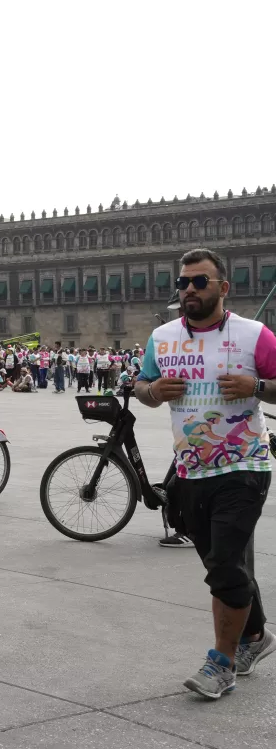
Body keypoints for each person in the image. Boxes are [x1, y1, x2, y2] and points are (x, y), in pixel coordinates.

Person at [135, 248, 275, 699]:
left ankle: (221, 663)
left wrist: (256, 387)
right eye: (183, 283)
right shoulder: (162, 337)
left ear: (223, 287)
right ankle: (255, 635)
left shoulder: (255, 335)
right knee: (222, 563)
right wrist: (153, 390)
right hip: (190, 469)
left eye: (199, 282)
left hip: (244, 465)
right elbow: (141, 386)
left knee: (222, 564)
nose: (189, 290)